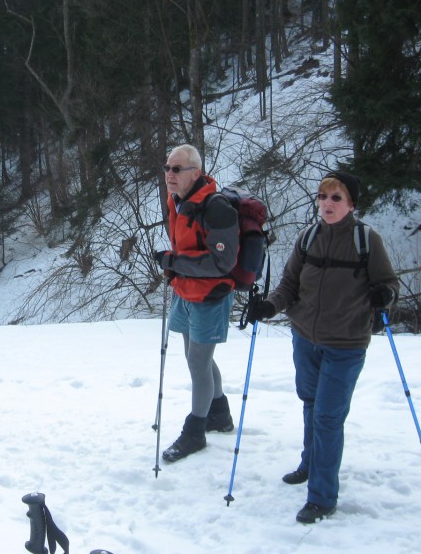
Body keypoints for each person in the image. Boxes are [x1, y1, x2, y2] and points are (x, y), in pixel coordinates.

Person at [246, 171, 399, 524]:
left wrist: (385, 295)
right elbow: (289, 285)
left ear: (351, 204)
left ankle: (322, 496)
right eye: (322, 196)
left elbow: (389, 283)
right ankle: (310, 463)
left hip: (346, 343)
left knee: (328, 416)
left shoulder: (366, 240)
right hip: (305, 338)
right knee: (311, 403)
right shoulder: (308, 236)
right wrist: (269, 306)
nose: (327, 204)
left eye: (336, 198)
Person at [154, 144, 239, 463]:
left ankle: (195, 432)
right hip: (186, 291)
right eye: (167, 168)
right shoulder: (177, 200)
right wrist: (175, 266)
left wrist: (174, 262)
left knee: (197, 363)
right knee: (196, 357)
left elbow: (223, 262)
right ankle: (219, 414)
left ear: (196, 173)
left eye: (177, 169)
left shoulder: (216, 208)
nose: (170, 175)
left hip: (210, 295)